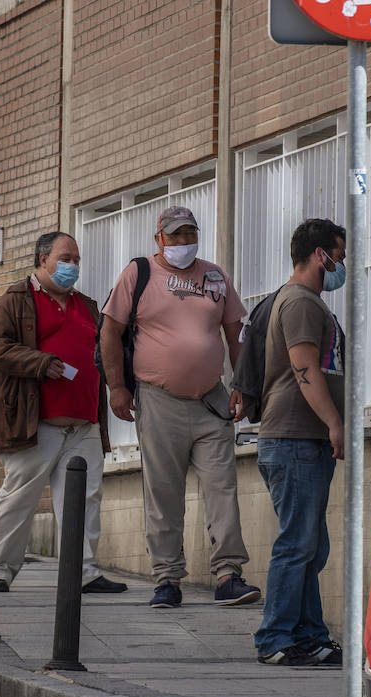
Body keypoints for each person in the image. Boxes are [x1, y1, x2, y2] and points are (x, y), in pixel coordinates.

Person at [99, 206, 260, 609]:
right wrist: (117, 388)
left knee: (222, 487)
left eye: (190, 233)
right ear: (160, 239)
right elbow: (110, 331)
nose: (184, 242)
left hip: (211, 400)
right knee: (163, 492)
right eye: (175, 235)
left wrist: (242, 382)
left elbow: (235, 333)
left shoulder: (215, 276)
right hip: (158, 399)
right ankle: (167, 578)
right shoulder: (138, 274)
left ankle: (228, 574)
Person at [0, 231, 127, 595]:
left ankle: (84, 573)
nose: (72, 266)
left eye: (76, 260)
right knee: (19, 497)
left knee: (85, 498)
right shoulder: (17, 299)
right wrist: (40, 362)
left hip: (83, 423)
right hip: (36, 422)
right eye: (65, 258)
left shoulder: (88, 306)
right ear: (43, 258)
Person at [252, 219, 348, 667]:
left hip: (298, 441)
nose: (341, 267)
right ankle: (275, 637)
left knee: (311, 544)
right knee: (297, 543)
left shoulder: (297, 301)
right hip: (295, 439)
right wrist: (334, 422)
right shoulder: (302, 303)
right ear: (320, 255)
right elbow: (303, 366)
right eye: (339, 257)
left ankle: (310, 635)